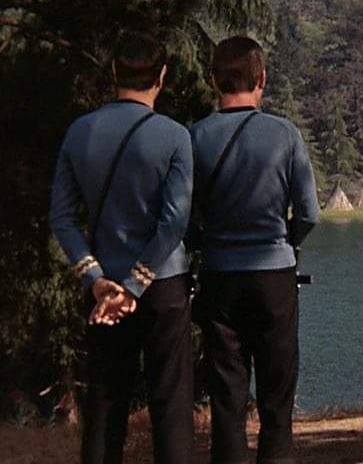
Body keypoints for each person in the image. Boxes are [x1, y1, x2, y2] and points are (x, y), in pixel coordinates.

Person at [50, 32, 194, 463]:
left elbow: (63, 218)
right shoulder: (174, 136)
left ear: (113, 72)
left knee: (104, 405)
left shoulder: (80, 131)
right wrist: (136, 285)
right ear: (162, 77)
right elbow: (174, 223)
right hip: (163, 284)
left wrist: (96, 279)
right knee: (171, 405)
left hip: (103, 291)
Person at [190, 36, 320, 464]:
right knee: (277, 397)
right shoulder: (285, 135)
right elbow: (309, 213)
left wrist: (204, 243)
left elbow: (182, 214)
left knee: (226, 397)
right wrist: (286, 241)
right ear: (261, 79)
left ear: (214, 80)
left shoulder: (195, 137)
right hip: (274, 276)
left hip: (219, 278)